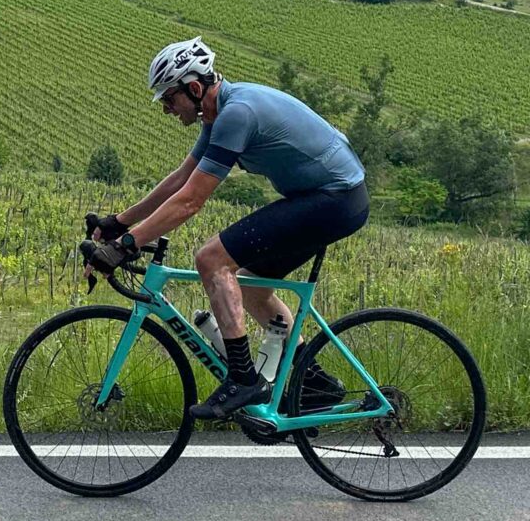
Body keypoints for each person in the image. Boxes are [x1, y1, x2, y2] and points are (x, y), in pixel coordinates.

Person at [84, 36, 369, 420]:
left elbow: (191, 201)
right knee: (251, 284)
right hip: (327, 198)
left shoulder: (237, 114)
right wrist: (119, 223)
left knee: (212, 260)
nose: (167, 110)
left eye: (170, 99)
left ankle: (243, 379)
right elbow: (180, 181)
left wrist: (126, 245)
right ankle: (314, 383)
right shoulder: (218, 114)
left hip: (334, 199)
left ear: (195, 88)